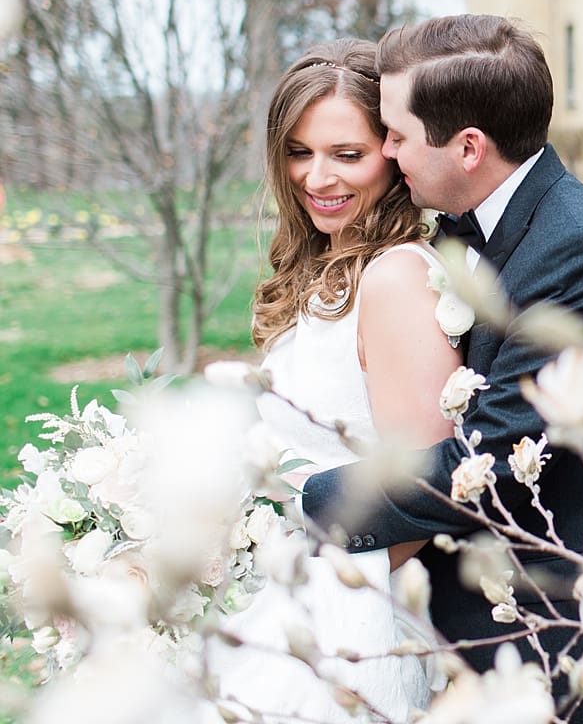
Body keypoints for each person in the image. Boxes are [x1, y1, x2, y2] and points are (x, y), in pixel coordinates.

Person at [301, 15, 583, 722]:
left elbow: (488, 461)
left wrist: (303, 504)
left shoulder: (582, 253)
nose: (388, 151)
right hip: (472, 628)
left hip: (562, 639)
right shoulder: (469, 228)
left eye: (398, 135)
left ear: (468, 147)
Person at [208, 38, 460, 722]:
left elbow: (430, 492)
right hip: (299, 590)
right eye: (298, 151)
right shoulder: (325, 263)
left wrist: (301, 566)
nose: (317, 177)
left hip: (355, 616)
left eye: (346, 154)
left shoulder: (398, 278)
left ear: (395, 149)